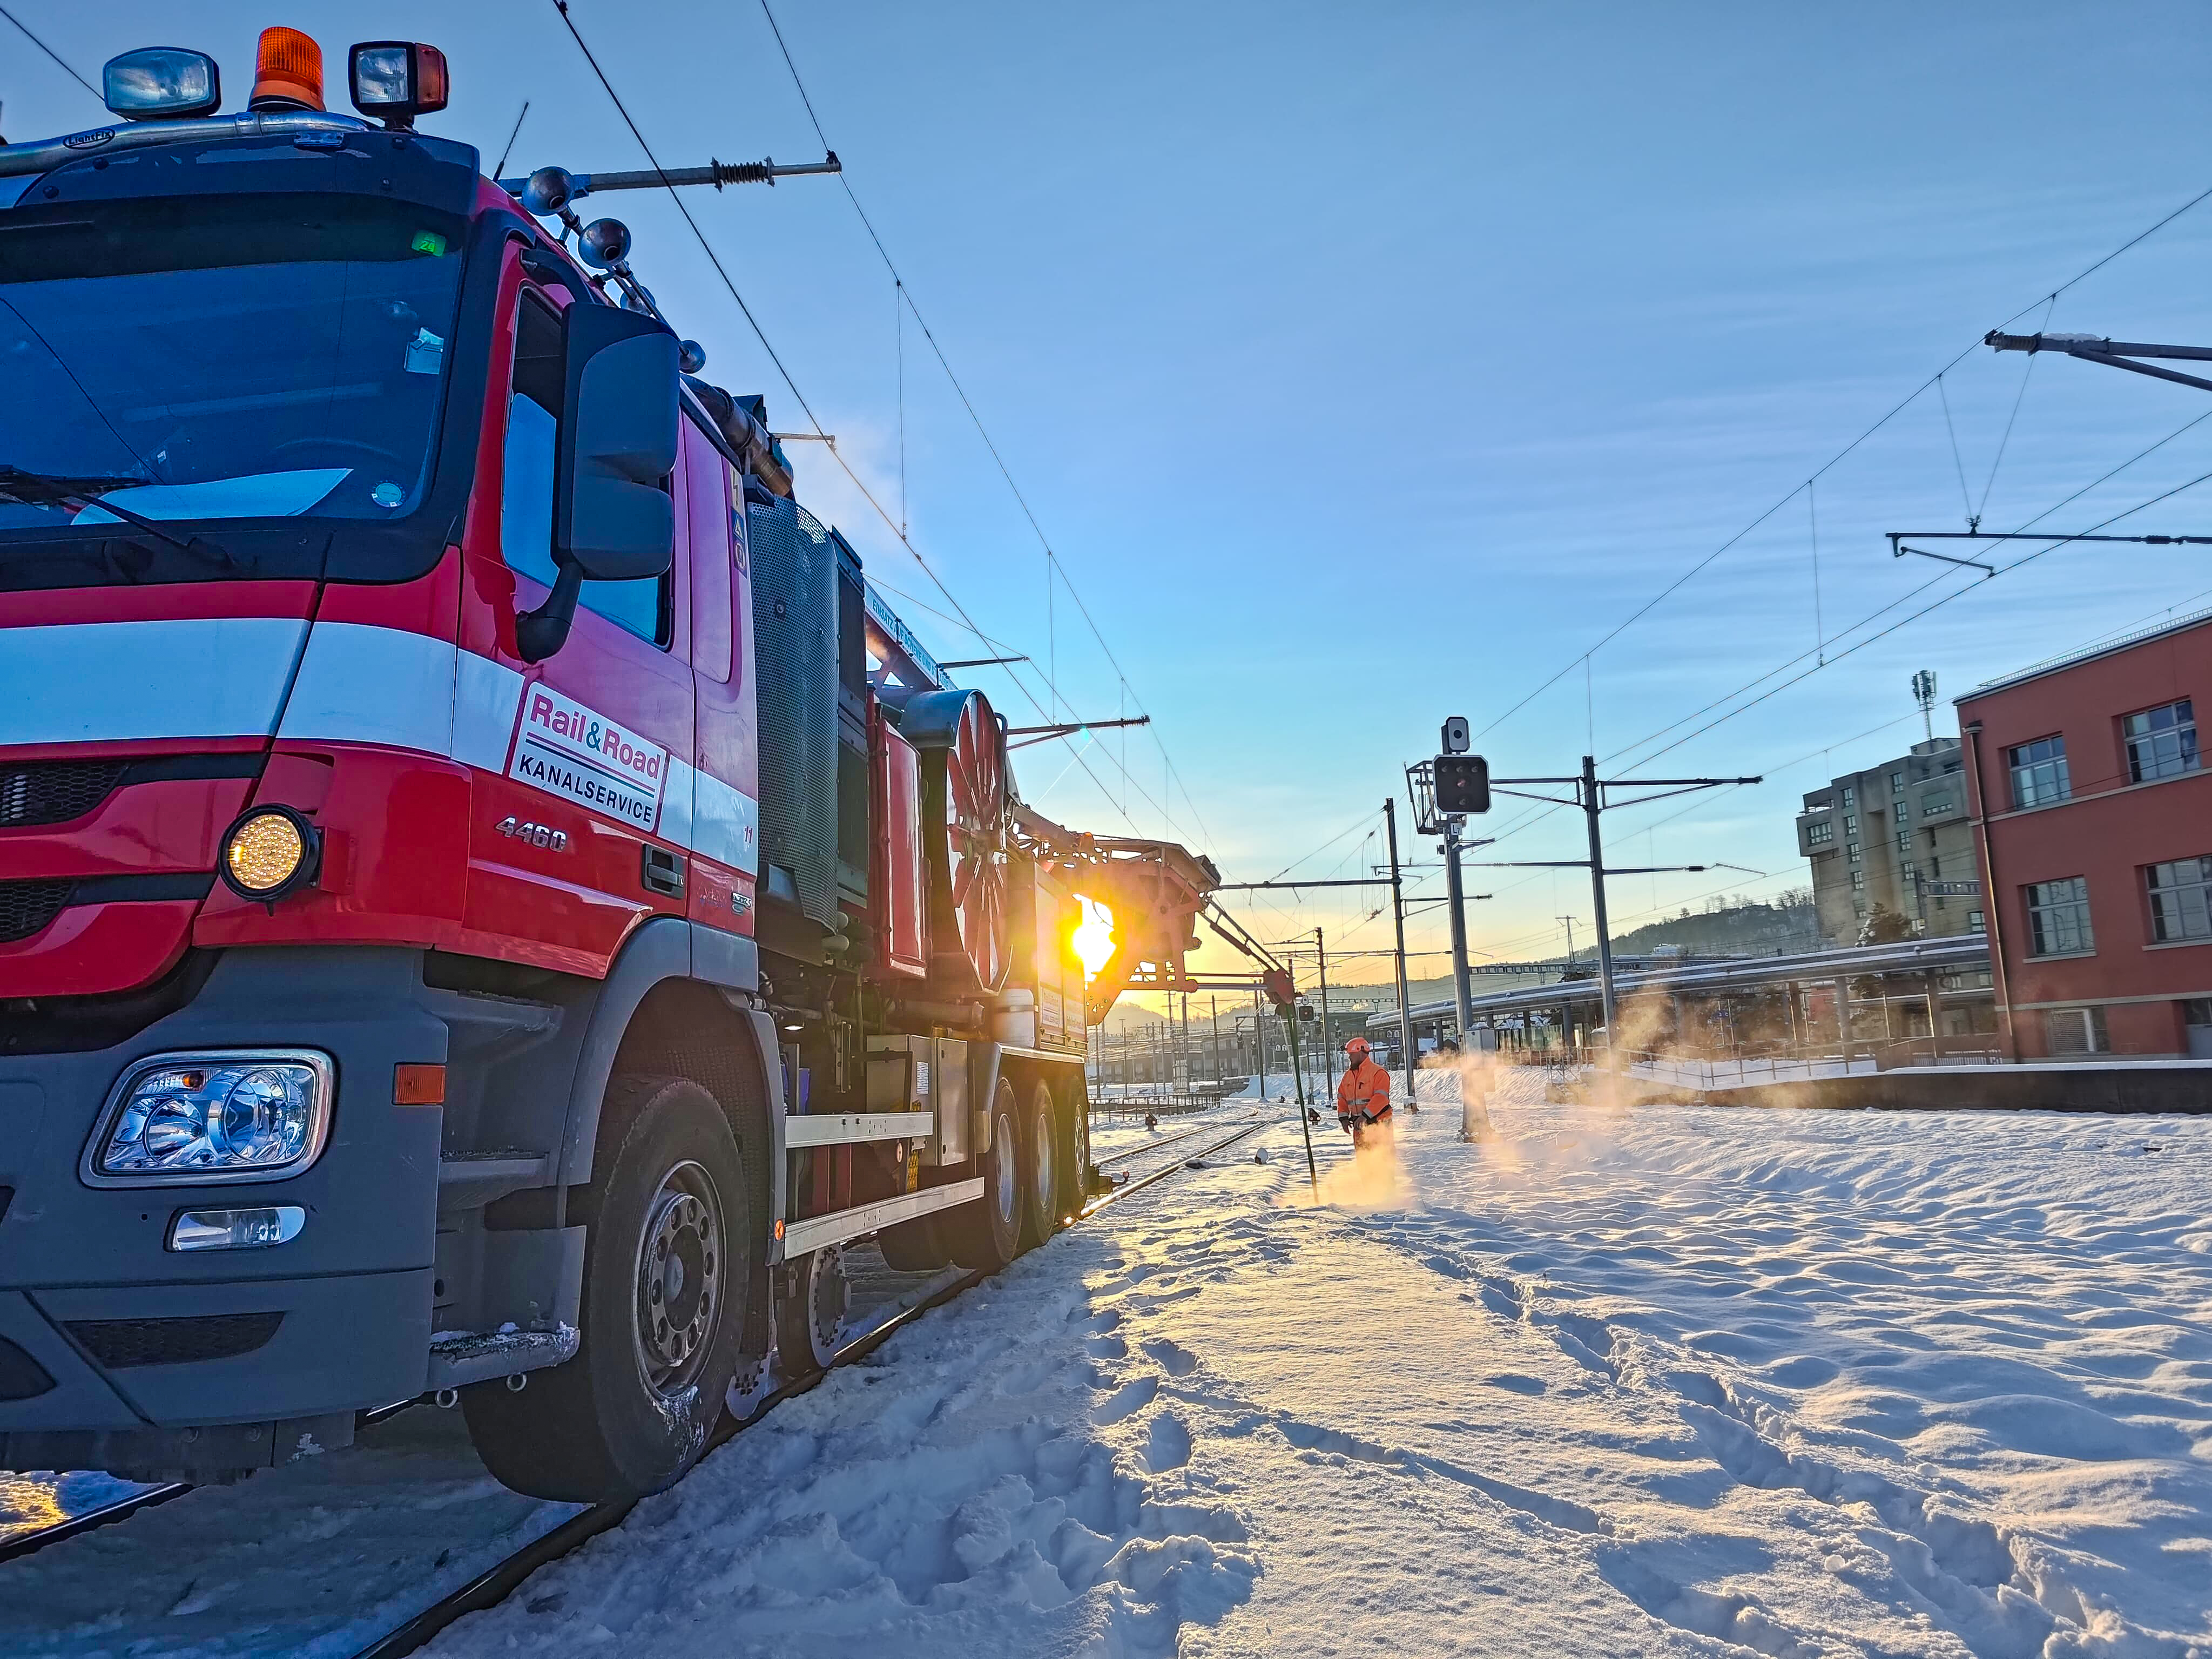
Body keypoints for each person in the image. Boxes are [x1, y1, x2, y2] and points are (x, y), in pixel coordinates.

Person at [1335, 1036, 1393, 1152]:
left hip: (1379, 1125)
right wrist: (1344, 1118)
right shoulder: (1348, 1076)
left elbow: (1381, 1099)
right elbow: (1342, 1098)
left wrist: (1365, 1116)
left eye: (1352, 1054)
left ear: (1361, 1053)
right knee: (1363, 1161)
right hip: (1359, 1126)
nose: (1349, 1057)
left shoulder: (1378, 1073)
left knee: (1382, 1160)